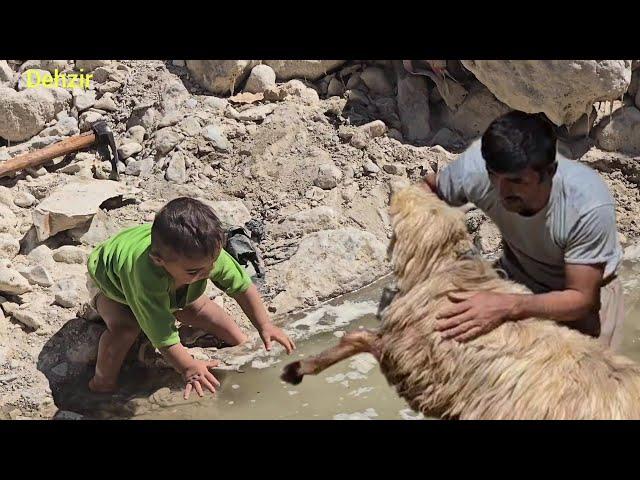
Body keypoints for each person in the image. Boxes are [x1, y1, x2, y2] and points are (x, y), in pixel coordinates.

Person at [421, 111, 625, 350]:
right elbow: (425, 191)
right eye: (494, 177)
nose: (502, 190)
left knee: (584, 380)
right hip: (519, 270)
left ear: (548, 172)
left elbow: (581, 299)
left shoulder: (586, 204)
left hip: (585, 295)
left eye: (517, 181)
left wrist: (506, 305)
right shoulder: (476, 169)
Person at [85, 197, 295, 399]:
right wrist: (188, 367)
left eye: (211, 265)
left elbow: (241, 287)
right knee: (126, 328)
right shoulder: (145, 276)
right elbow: (162, 334)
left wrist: (265, 324)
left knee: (198, 307)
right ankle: (101, 383)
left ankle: (241, 343)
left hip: (171, 273)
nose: (206, 273)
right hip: (111, 284)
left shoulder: (206, 256)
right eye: (194, 271)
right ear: (159, 261)